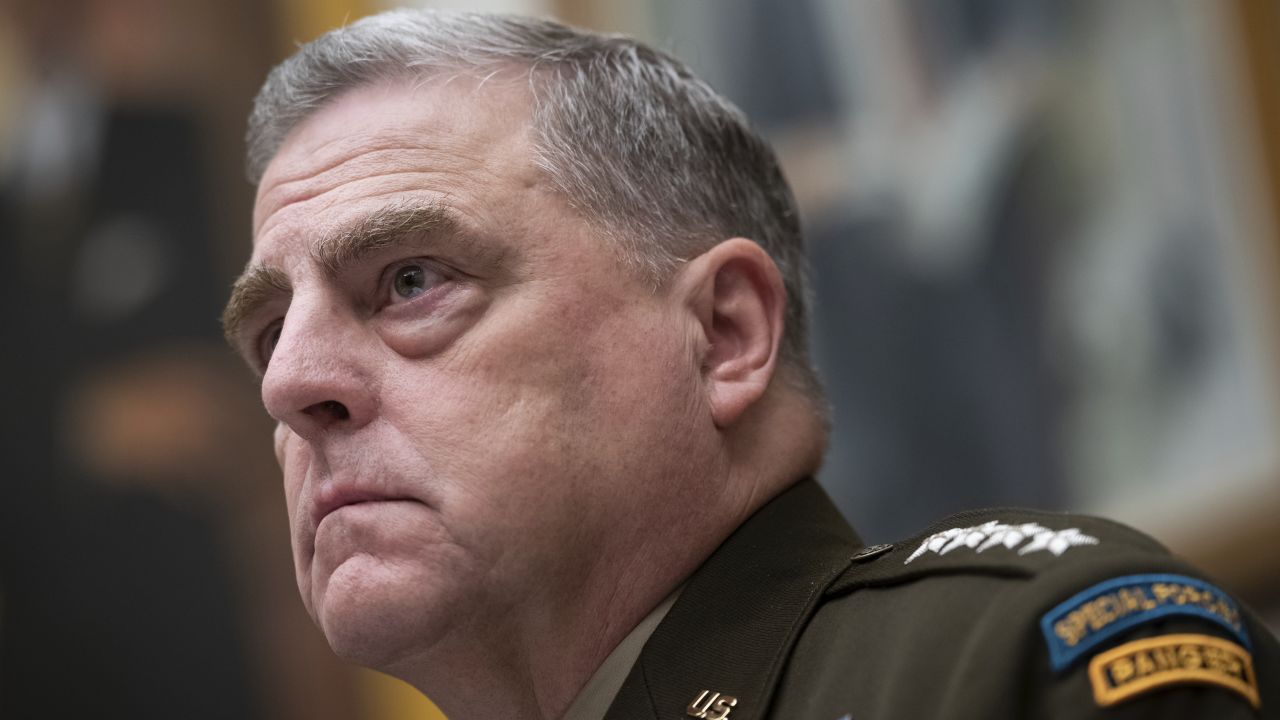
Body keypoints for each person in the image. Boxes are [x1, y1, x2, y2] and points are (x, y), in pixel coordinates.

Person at [222, 9, 1279, 719]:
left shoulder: (1017, 666)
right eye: (270, 330)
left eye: (409, 282)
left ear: (723, 334)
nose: (288, 381)